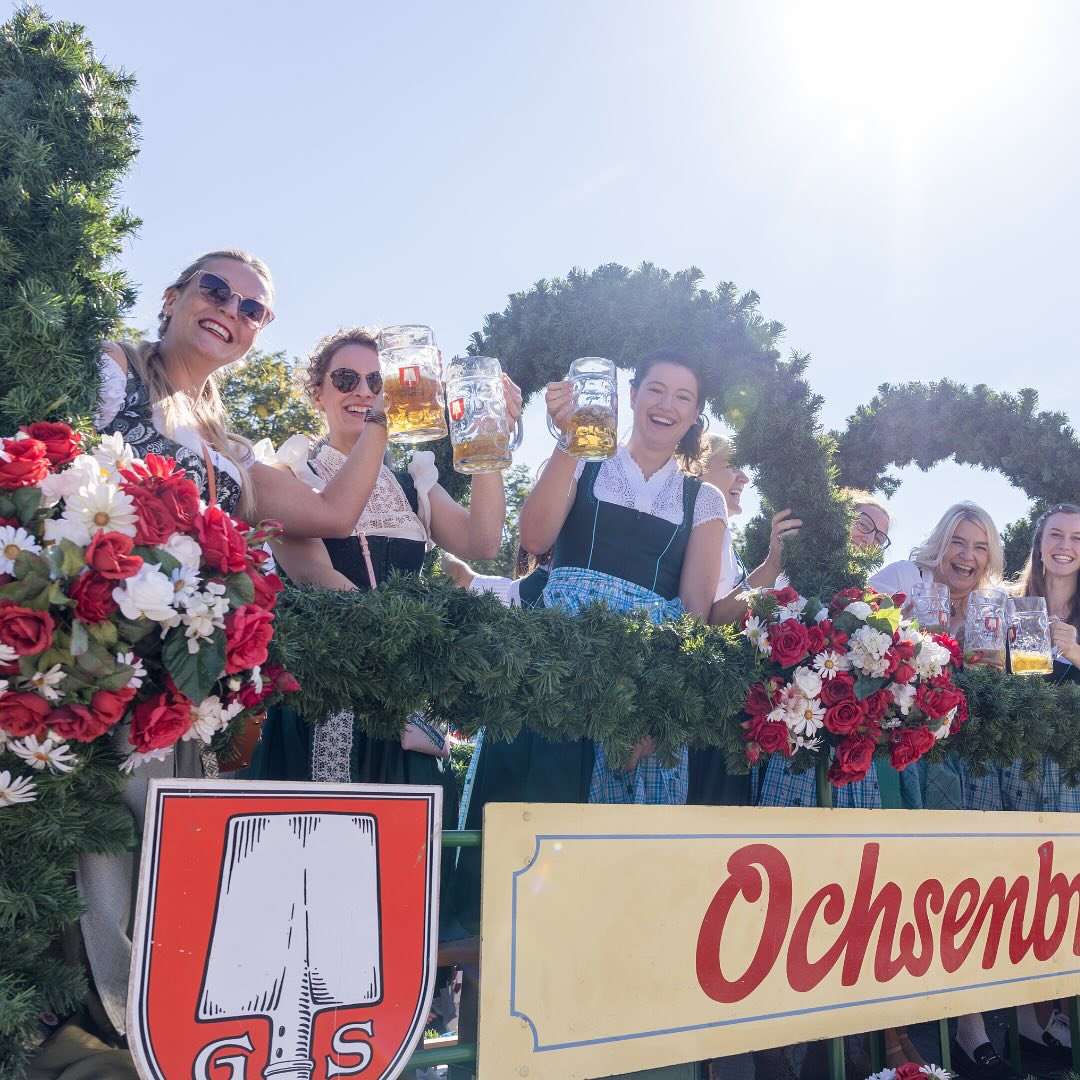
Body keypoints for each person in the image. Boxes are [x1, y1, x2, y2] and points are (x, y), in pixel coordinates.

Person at [463, 346, 726, 829]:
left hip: (635, 682)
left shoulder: (703, 500)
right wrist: (570, 440)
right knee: (527, 812)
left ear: (694, 416)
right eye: (656, 389)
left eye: (682, 397)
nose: (666, 405)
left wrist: (654, 716)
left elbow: (693, 615)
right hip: (550, 666)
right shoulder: (583, 462)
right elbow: (534, 538)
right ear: (629, 396)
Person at [246, 326, 519, 787]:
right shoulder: (290, 473)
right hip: (325, 696)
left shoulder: (412, 483)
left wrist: (489, 440)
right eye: (346, 379)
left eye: (380, 383)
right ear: (317, 393)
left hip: (405, 710)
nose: (366, 394)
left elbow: (484, 543)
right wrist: (424, 651)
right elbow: (318, 578)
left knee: (409, 852)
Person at [994, 504, 1080, 1071]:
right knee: (1026, 891)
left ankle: (1061, 1010)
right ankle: (1029, 1017)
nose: (1065, 545)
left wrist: (1075, 653)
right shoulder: (1015, 606)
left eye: (1076, 537)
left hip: (1073, 769)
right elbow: (1015, 690)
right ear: (1039, 542)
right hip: (1022, 765)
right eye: (1056, 534)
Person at [689, 434, 801, 807]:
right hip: (701, 702)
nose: (745, 479)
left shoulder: (722, 535)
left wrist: (773, 563)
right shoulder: (702, 520)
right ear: (697, 466)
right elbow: (709, 617)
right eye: (733, 466)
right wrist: (771, 564)